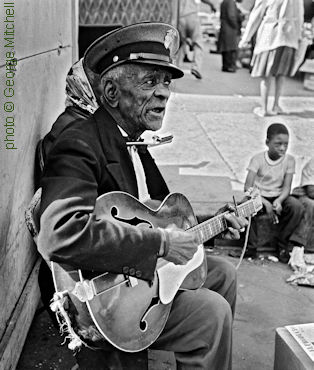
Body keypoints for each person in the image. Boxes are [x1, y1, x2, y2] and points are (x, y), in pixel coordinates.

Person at [37, 22, 247, 370]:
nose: (164, 93)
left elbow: (154, 218)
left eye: (166, 82)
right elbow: (58, 234)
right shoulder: (79, 141)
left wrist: (217, 221)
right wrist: (160, 245)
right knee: (212, 314)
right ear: (111, 92)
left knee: (222, 274)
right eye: (150, 81)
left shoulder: (130, 137)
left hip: (138, 274)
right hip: (104, 299)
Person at [243, 123, 304, 262]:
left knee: (297, 207)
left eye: (285, 144)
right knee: (245, 206)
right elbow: (248, 187)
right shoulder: (257, 159)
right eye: (278, 144)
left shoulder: (289, 160)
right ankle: (251, 248)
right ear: (267, 143)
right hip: (259, 196)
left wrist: (279, 200)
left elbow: (287, 187)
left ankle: (282, 245)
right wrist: (264, 202)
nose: (282, 148)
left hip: (278, 195)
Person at [239, 0, 304, 117]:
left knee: (266, 74)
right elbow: (300, 17)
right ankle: (276, 105)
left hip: (270, 37)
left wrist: (246, 38)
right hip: (289, 37)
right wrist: (298, 36)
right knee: (281, 74)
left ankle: (264, 108)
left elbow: (257, 15)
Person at [178, 0, 216, 79]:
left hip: (180, 18)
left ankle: (175, 66)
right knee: (198, 43)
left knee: (179, 43)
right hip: (192, 16)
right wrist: (211, 4)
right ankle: (196, 68)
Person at [292, 157, 314, 252]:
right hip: (305, 196)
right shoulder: (312, 164)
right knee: (310, 205)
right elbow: (311, 191)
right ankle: (298, 246)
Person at [218, 0, 244, 72]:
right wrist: (236, 26)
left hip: (225, 28)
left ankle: (226, 66)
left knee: (226, 48)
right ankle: (229, 66)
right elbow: (231, 16)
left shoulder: (224, 2)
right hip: (230, 29)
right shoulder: (231, 2)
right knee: (230, 48)